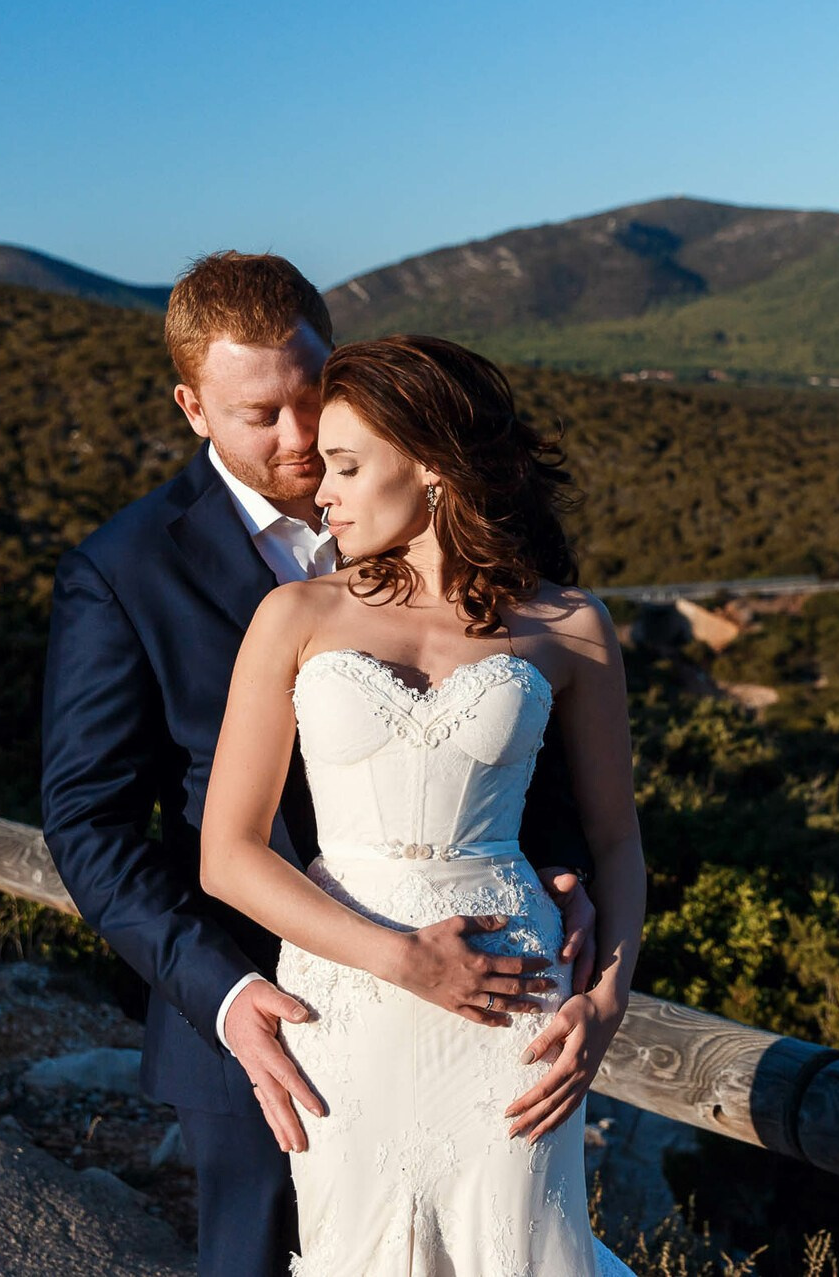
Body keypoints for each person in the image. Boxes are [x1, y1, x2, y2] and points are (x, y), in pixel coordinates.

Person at [41, 253, 608, 1277]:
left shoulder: (470, 542)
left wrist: (560, 873)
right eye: (261, 414)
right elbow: (89, 823)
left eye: (312, 398)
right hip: (265, 1009)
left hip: (487, 984)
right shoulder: (124, 571)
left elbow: (531, 732)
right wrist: (220, 992)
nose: (300, 441)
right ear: (192, 407)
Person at [197, 334, 643, 1274]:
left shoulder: (570, 624)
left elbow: (616, 842)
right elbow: (228, 854)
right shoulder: (296, 617)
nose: (321, 492)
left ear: (433, 467)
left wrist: (606, 999)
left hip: (514, 1012)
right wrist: (400, 958)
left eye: (347, 467)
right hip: (347, 1005)